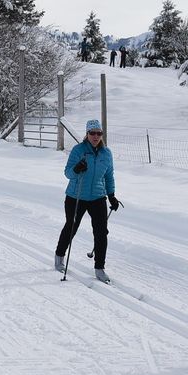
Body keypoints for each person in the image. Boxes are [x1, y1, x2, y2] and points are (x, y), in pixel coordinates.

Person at [55, 119, 118, 283]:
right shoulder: (78, 150)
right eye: (92, 133)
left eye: (99, 133)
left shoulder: (106, 153)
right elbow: (68, 173)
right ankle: (59, 256)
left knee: (101, 232)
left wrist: (111, 195)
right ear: (87, 134)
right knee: (71, 227)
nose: (96, 136)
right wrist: (76, 169)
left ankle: (99, 268)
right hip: (76, 196)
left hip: (97, 197)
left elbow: (109, 176)